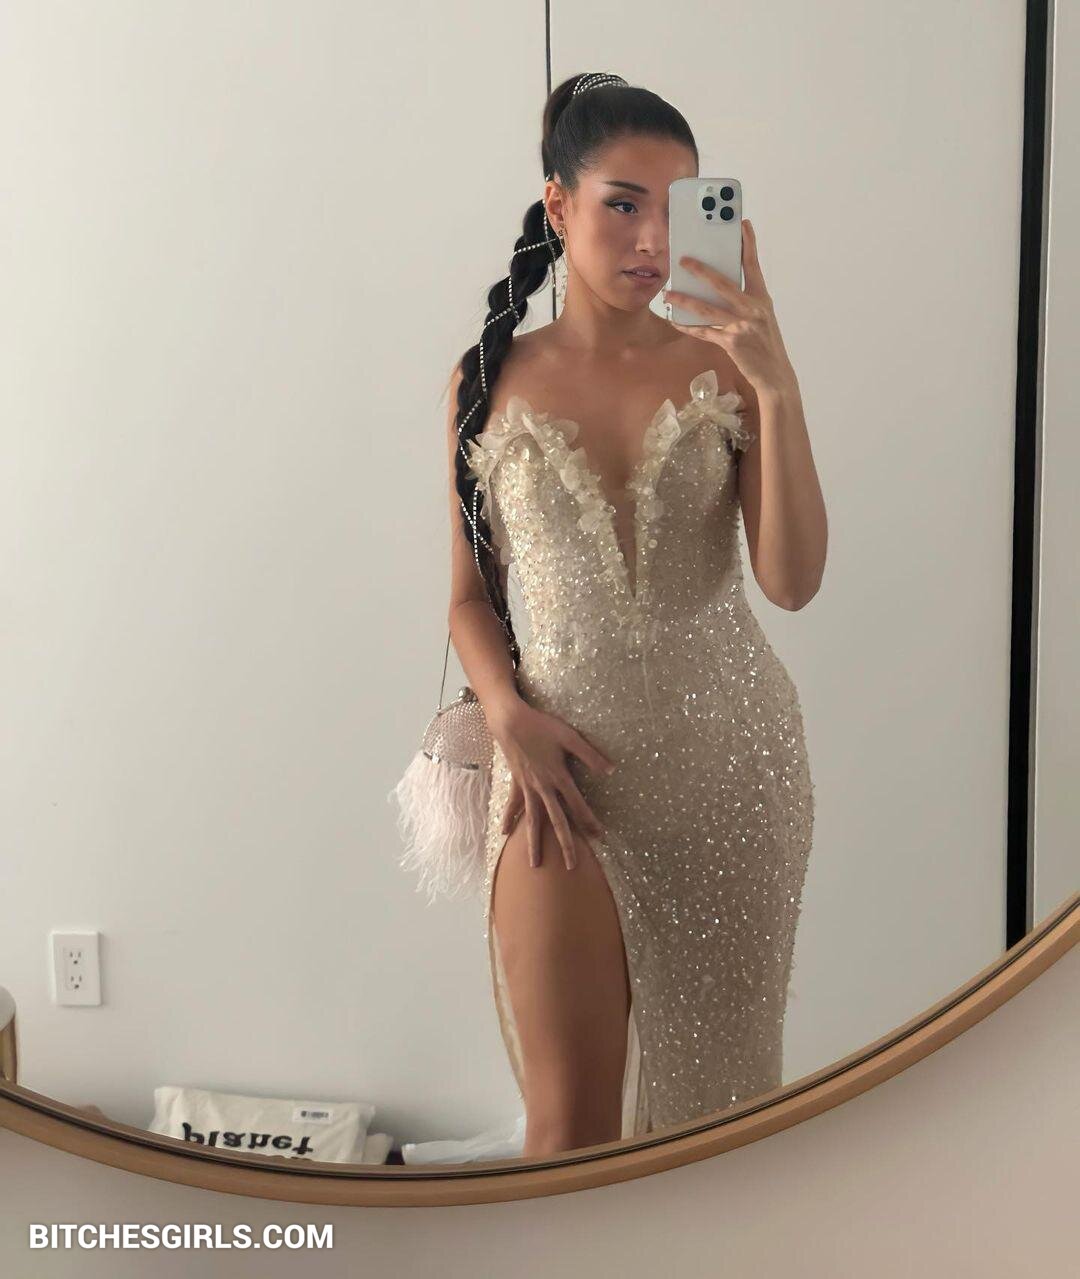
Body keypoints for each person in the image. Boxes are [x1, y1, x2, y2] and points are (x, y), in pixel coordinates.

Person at [444, 72, 827, 1156]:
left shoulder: (728, 367)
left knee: (718, 1123)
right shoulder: (488, 378)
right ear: (558, 204)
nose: (655, 237)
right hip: (557, 776)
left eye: (679, 205)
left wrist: (778, 386)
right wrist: (505, 714)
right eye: (623, 203)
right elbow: (468, 598)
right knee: (565, 1130)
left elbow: (792, 580)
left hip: (730, 771)